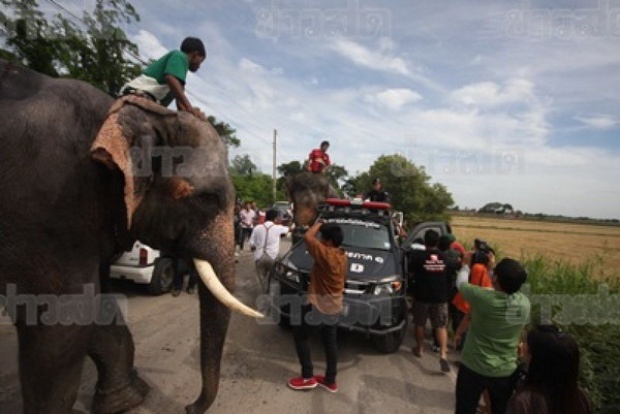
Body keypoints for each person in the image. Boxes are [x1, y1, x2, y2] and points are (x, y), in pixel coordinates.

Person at [454, 257, 531, 414]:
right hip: (505, 370)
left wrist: (467, 266)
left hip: (473, 367)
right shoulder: (524, 303)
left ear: (495, 278)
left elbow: (461, 283)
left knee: (465, 409)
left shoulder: (482, 298)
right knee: (500, 409)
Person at [287, 220, 347, 393]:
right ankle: (330, 380)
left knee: (300, 335)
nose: (319, 240)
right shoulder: (343, 255)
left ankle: (307, 377)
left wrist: (320, 222)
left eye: (322, 238)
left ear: (328, 241)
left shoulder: (325, 253)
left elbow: (307, 236)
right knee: (330, 343)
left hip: (319, 307)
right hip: (335, 305)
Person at [506, 325, 591, 414]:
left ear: (539, 361)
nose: (521, 348)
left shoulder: (523, 402)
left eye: (527, 348)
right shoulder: (580, 398)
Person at [120, 37, 206, 119]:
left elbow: (180, 103)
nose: (199, 66)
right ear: (195, 54)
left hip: (149, 96)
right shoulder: (180, 56)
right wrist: (190, 109)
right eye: (201, 61)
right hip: (140, 92)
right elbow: (170, 78)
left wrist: (190, 114)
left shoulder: (180, 75)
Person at [408, 229, 452, 373]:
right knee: (440, 326)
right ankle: (443, 354)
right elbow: (450, 276)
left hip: (422, 296)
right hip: (440, 297)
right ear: (437, 242)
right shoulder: (445, 258)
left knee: (419, 323)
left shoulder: (418, 257)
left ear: (425, 242)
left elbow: (410, 273)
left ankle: (420, 348)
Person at [249, 209, 289, 292]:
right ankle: (271, 295)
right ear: (276, 218)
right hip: (273, 257)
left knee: (261, 280)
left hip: (259, 257)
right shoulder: (278, 228)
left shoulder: (257, 228)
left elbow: (252, 245)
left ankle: (262, 295)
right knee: (274, 278)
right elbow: (289, 229)